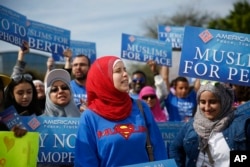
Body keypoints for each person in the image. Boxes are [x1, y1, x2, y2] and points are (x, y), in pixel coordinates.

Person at [74, 56, 167, 167]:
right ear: (104, 78)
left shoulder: (141, 107)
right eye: (118, 71)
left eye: (125, 70)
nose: (125, 74)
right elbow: (85, 162)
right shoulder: (90, 117)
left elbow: (159, 149)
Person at [169, 81, 250, 167]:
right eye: (203, 102)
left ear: (224, 102)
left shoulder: (242, 124)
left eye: (213, 102)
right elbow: (174, 148)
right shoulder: (191, 125)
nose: (207, 107)